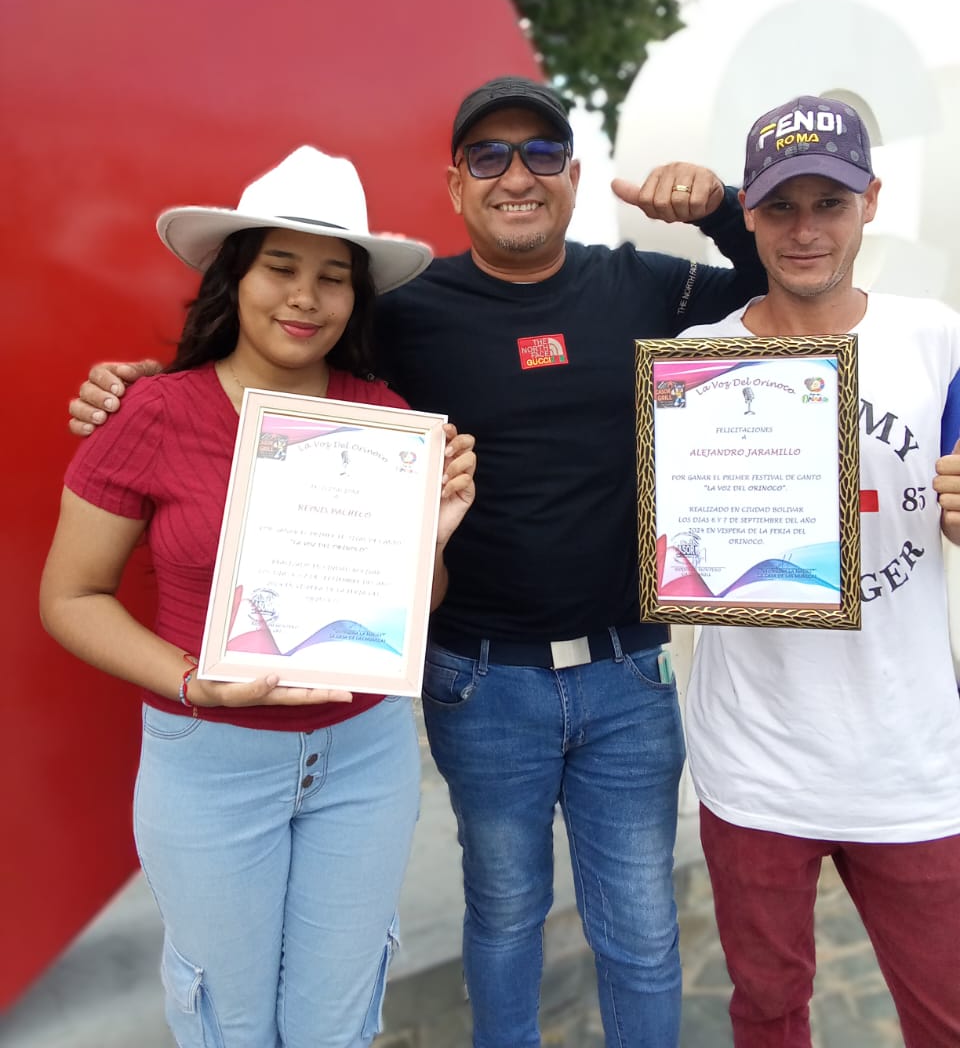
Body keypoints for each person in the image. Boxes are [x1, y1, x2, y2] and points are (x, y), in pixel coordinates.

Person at [68, 76, 768, 1048]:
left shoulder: (639, 284)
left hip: (625, 671)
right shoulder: (409, 311)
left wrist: (725, 206)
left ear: (572, 174)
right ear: (454, 184)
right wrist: (135, 385)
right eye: (489, 155)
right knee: (497, 919)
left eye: (540, 154)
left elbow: (769, 274)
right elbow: (269, 353)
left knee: (640, 935)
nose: (515, 174)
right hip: (478, 680)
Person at [41, 145, 477, 1048]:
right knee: (228, 1023)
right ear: (234, 278)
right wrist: (195, 680)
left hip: (364, 758)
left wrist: (427, 542)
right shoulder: (153, 414)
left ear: (356, 299)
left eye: (332, 278)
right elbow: (72, 596)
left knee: (336, 1022)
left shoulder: (388, 421)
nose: (305, 298)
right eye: (280, 267)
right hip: (209, 760)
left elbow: (414, 603)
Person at [678, 95, 960, 1048]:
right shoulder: (690, 368)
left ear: (870, 202)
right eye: (781, 206)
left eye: (828, 203)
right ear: (747, 213)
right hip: (757, 765)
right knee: (765, 1014)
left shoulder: (938, 339)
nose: (805, 230)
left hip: (913, 762)